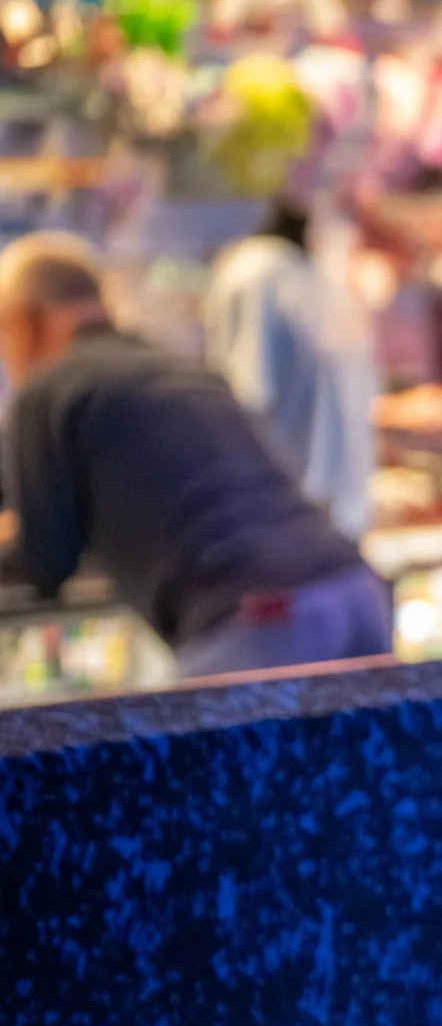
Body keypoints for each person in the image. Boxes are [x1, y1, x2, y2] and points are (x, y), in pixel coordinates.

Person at [0, 230, 391, 677]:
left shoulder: (50, 390)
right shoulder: (172, 366)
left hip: (262, 616)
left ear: (25, 320)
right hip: (354, 589)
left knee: (212, 727)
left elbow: (44, 561)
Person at [203, 196, 378, 538]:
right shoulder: (257, 275)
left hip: (330, 517)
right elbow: (245, 394)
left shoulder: (312, 275)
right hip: (281, 516)